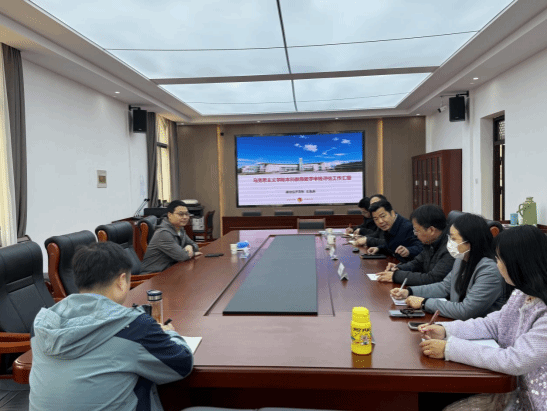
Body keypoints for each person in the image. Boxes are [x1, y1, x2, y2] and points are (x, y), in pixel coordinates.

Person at [29, 242, 194, 411]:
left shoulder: (42, 323)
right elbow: (182, 364)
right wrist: (169, 333)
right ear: (121, 281)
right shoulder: (134, 328)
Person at [419, 225, 547, 411]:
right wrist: (446, 330)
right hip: (513, 392)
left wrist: (450, 349)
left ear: (518, 263)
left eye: (500, 259)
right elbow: (493, 324)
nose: (497, 264)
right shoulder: (522, 293)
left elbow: (515, 360)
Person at [390, 213, 508, 320]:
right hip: (458, 323)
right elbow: (445, 286)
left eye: (454, 238)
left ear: (470, 242)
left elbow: (465, 311)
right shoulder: (462, 258)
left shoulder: (490, 270)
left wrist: (424, 302)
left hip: (481, 331)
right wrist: (409, 291)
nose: (450, 242)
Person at [377, 204, 454, 285]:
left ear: (431, 230)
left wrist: (396, 276)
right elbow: (418, 262)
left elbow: (433, 279)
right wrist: (398, 268)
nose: (415, 234)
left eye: (417, 231)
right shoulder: (431, 241)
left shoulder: (450, 248)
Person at [141, 200, 201, 274]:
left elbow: (195, 245)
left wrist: (190, 246)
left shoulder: (179, 228)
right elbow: (182, 256)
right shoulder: (163, 233)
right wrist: (193, 253)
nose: (185, 217)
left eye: (187, 214)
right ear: (169, 215)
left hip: (170, 271)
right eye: (181, 214)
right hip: (153, 276)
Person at [356, 199, 423, 262]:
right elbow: (392, 245)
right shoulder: (389, 225)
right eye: (376, 219)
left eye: (383, 216)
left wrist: (408, 251)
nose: (380, 221)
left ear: (392, 213)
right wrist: (379, 248)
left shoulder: (408, 227)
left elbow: (421, 248)